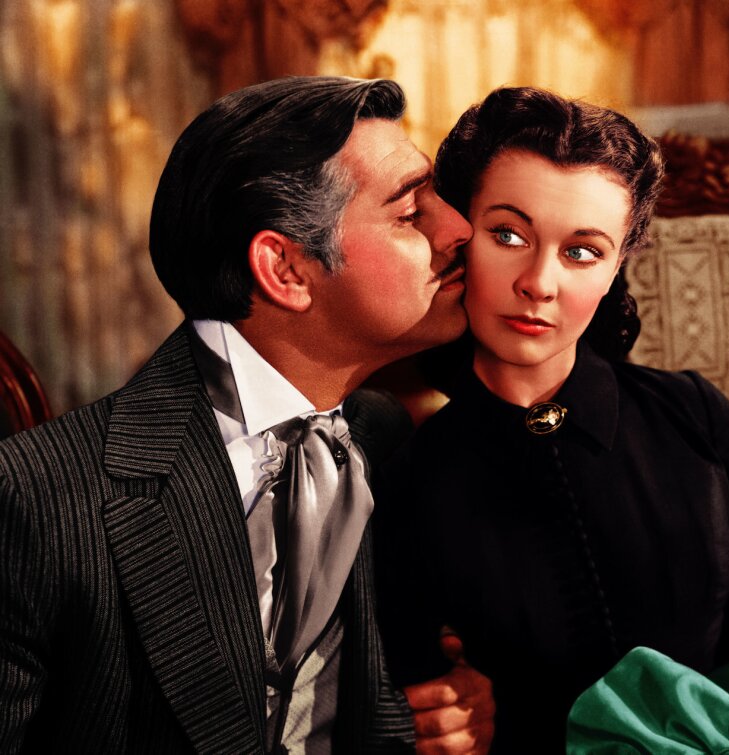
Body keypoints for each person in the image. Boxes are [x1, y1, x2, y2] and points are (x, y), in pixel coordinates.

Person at [373, 86, 729, 753]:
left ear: (617, 266)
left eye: (582, 251)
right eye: (508, 235)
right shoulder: (410, 471)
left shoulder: (692, 414)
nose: (539, 282)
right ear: (459, 237)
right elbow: (413, 693)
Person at [0, 76, 494, 753]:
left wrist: (432, 717)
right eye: (411, 212)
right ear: (285, 270)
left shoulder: (383, 436)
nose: (460, 228)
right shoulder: (34, 498)